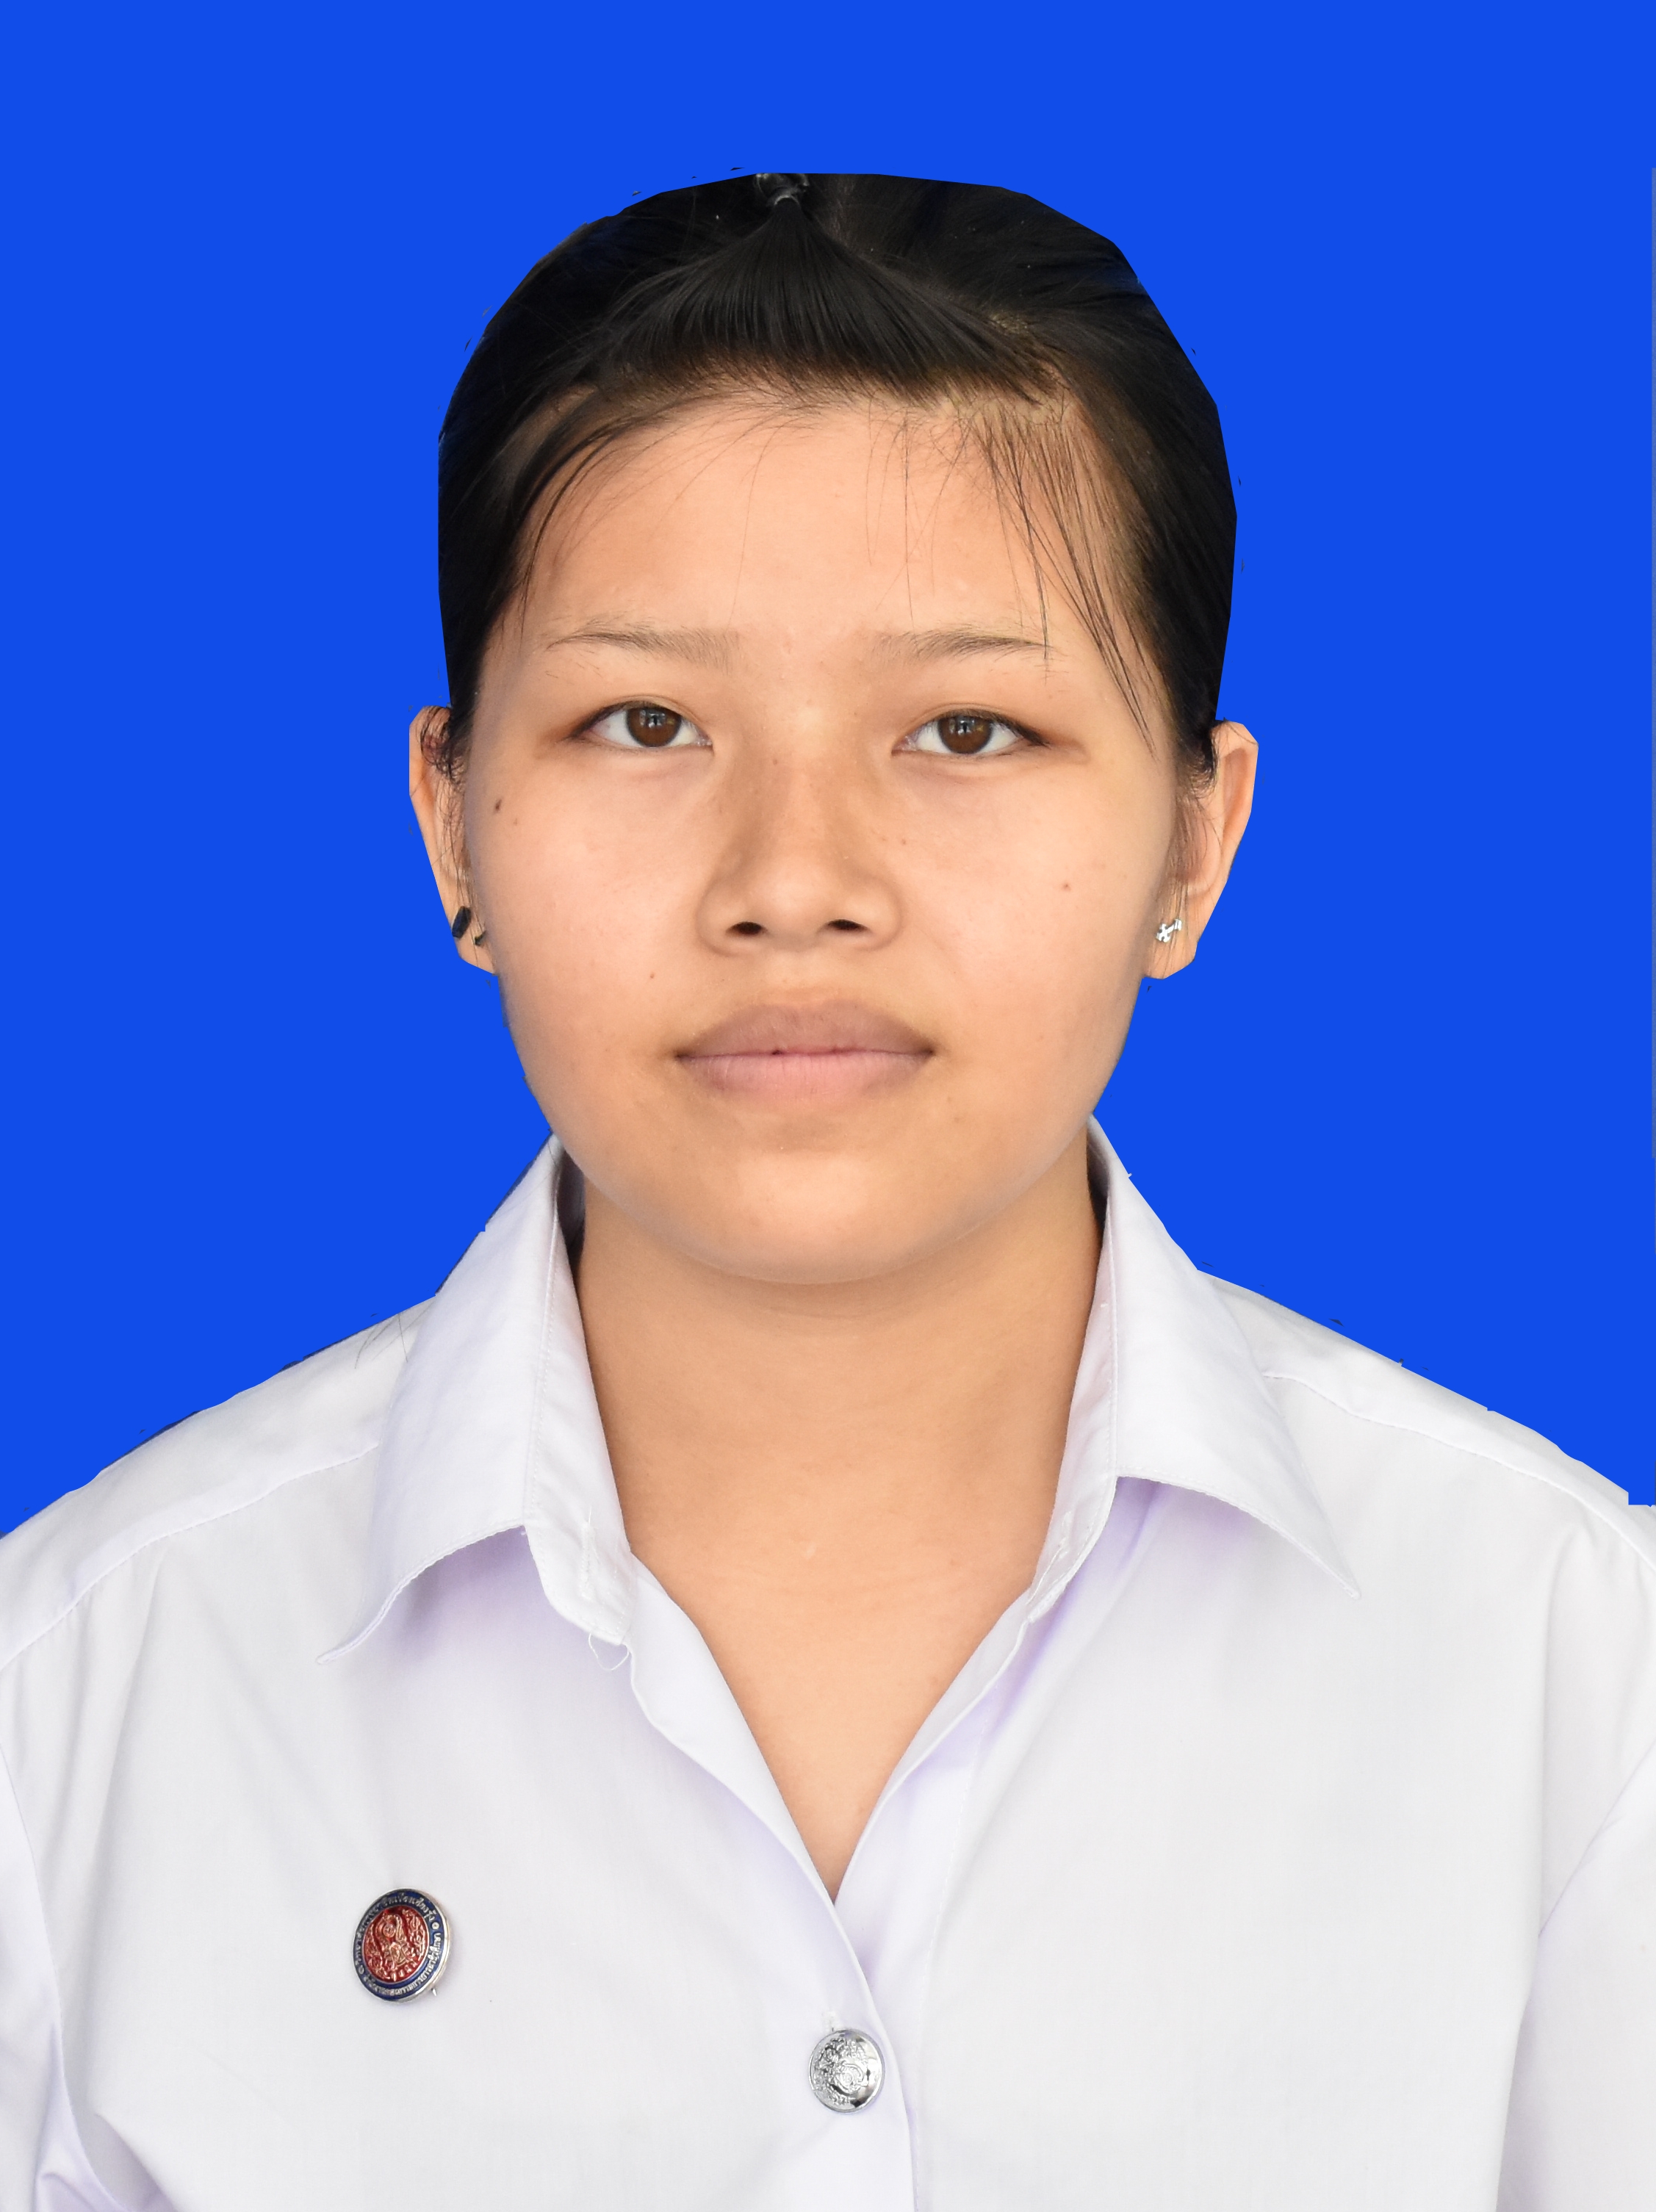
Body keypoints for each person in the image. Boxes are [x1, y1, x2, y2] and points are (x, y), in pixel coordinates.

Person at [0, 172, 1650, 2212]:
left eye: (967, 727)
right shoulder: (79, 1705)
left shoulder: (1575, 1678)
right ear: (451, 823)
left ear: (1194, 843)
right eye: (644, 723)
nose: (795, 880)